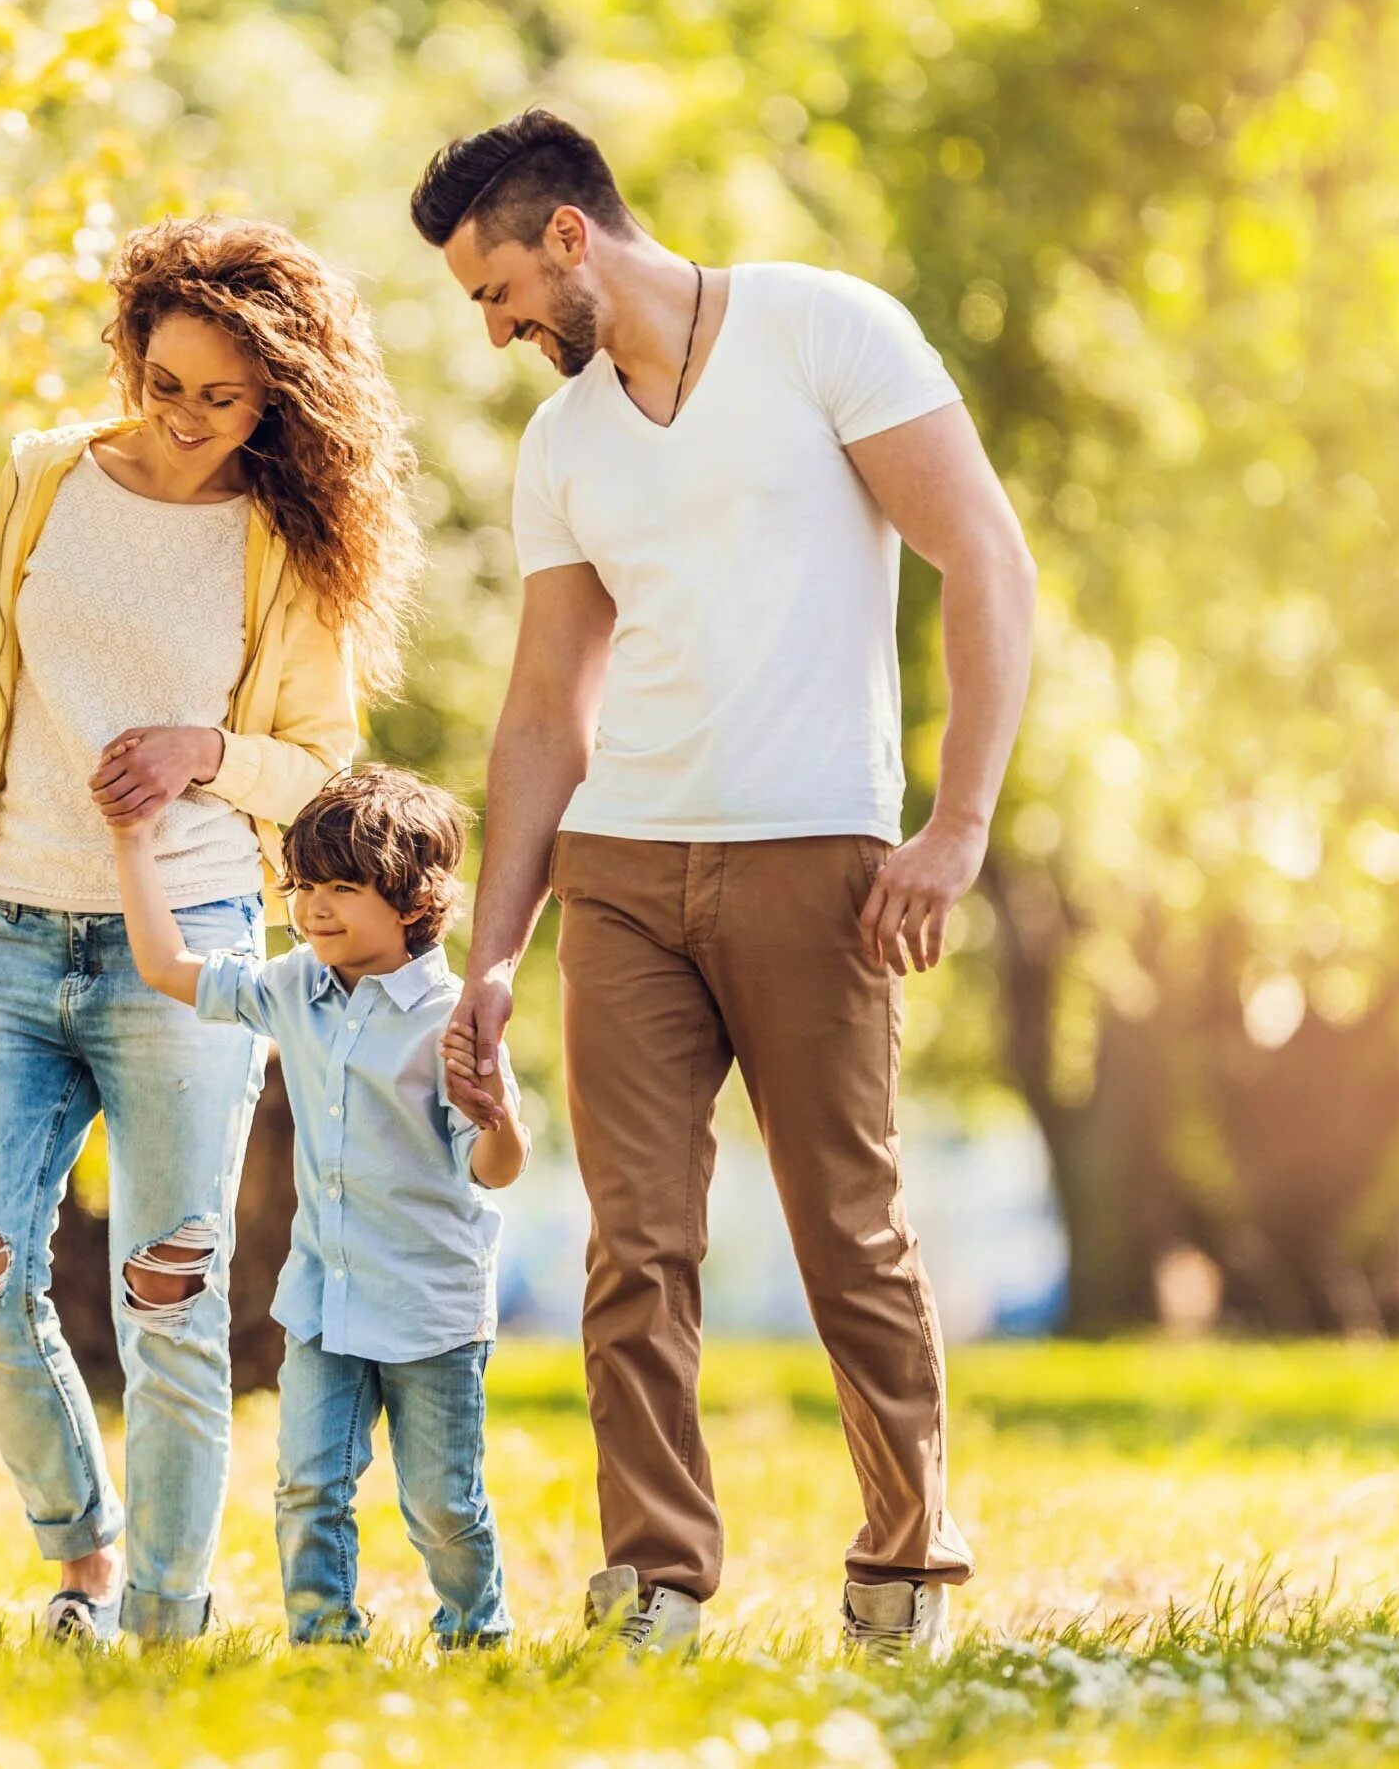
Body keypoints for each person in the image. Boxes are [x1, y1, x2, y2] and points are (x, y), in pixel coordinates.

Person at [410, 109, 1038, 1658]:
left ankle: (905, 1559)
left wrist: (955, 825)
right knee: (635, 1239)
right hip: (623, 871)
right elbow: (549, 708)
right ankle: (659, 1576)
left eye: (494, 292)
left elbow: (985, 558)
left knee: (847, 1221)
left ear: (569, 236)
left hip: (814, 854)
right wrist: (494, 952)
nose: (493, 333)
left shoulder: (828, 332)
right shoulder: (562, 445)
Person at [0, 215, 421, 1644]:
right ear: (132, 351)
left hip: (182, 944)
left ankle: (167, 1624)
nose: (186, 421)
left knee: (170, 1300)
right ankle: (84, 1547)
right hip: (6, 928)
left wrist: (206, 749)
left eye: (224, 399)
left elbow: (320, 762)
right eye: (166, 381)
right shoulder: (42, 480)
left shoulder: (280, 538)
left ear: (277, 404)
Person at [107, 766, 525, 1647]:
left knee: (442, 1504)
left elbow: (494, 1168)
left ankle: (477, 1637)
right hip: (325, 1303)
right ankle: (324, 1646)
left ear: (414, 900)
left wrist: (499, 1117)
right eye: (302, 885)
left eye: (343, 887)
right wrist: (130, 841)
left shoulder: (453, 1017)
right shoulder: (296, 984)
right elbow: (164, 965)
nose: (314, 907)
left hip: (430, 1310)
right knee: (308, 1487)